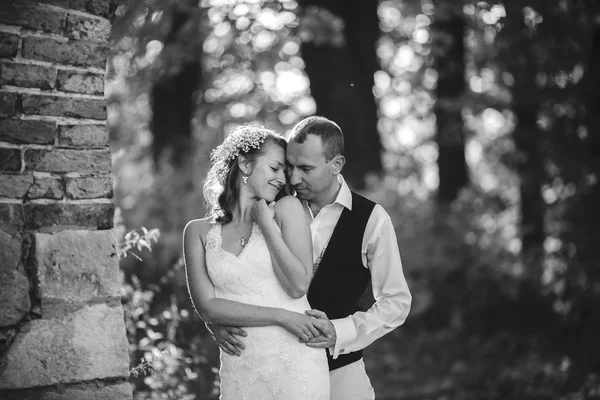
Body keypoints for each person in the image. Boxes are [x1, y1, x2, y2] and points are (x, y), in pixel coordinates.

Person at [210, 116, 412, 400]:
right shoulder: (265, 206)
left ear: (336, 165)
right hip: (271, 372)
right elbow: (234, 273)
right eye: (290, 166)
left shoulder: (371, 219)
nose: (292, 178)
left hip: (341, 373)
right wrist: (217, 321)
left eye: (305, 168)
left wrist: (340, 331)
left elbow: (396, 302)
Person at [183, 125, 330, 400]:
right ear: (245, 164)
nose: (282, 178)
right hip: (241, 364)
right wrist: (282, 316)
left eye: (284, 171)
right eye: (275, 168)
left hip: (295, 360)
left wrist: (266, 224)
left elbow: (298, 285)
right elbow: (208, 307)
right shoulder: (197, 232)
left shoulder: (287, 209)